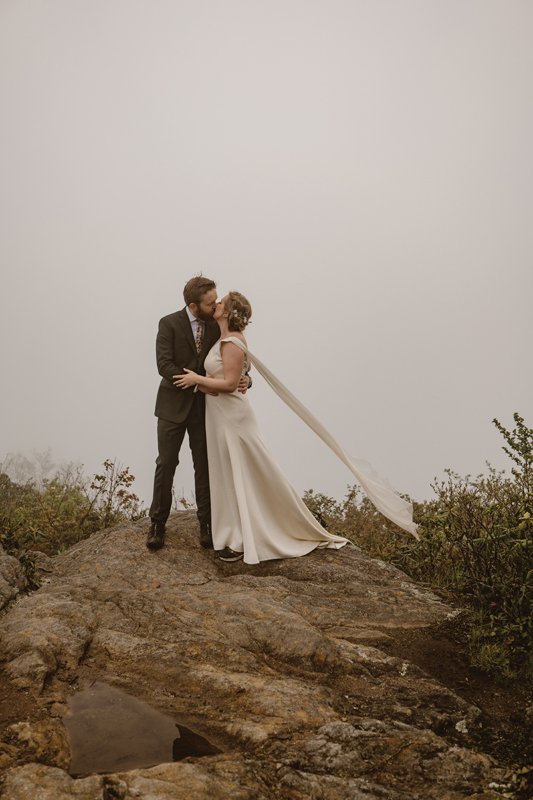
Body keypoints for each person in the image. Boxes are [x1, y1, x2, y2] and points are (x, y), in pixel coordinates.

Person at [175, 291, 419, 564]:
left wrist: (198, 379)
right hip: (219, 416)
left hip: (233, 417)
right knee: (230, 472)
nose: (217, 303)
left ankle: (253, 533)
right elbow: (240, 374)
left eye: (222, 302)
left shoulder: (231, 341)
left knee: (249, 471)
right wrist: (244, 378)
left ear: (229, 312)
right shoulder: (220, 337)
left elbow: (231, 383)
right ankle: (235, 532)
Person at [147, 277, 249, 551]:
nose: (215, 304)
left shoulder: (218, 326)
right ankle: (157, 524)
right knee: (166, 464)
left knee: (204, 465)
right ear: (193, 305)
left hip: (206, 409)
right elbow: (163, 364)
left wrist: (246, 380)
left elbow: (236, 361)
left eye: (216, 299)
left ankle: (207, 525)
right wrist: (194, 382)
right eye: (209, 302)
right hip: (172, 405)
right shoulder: (168, 323)